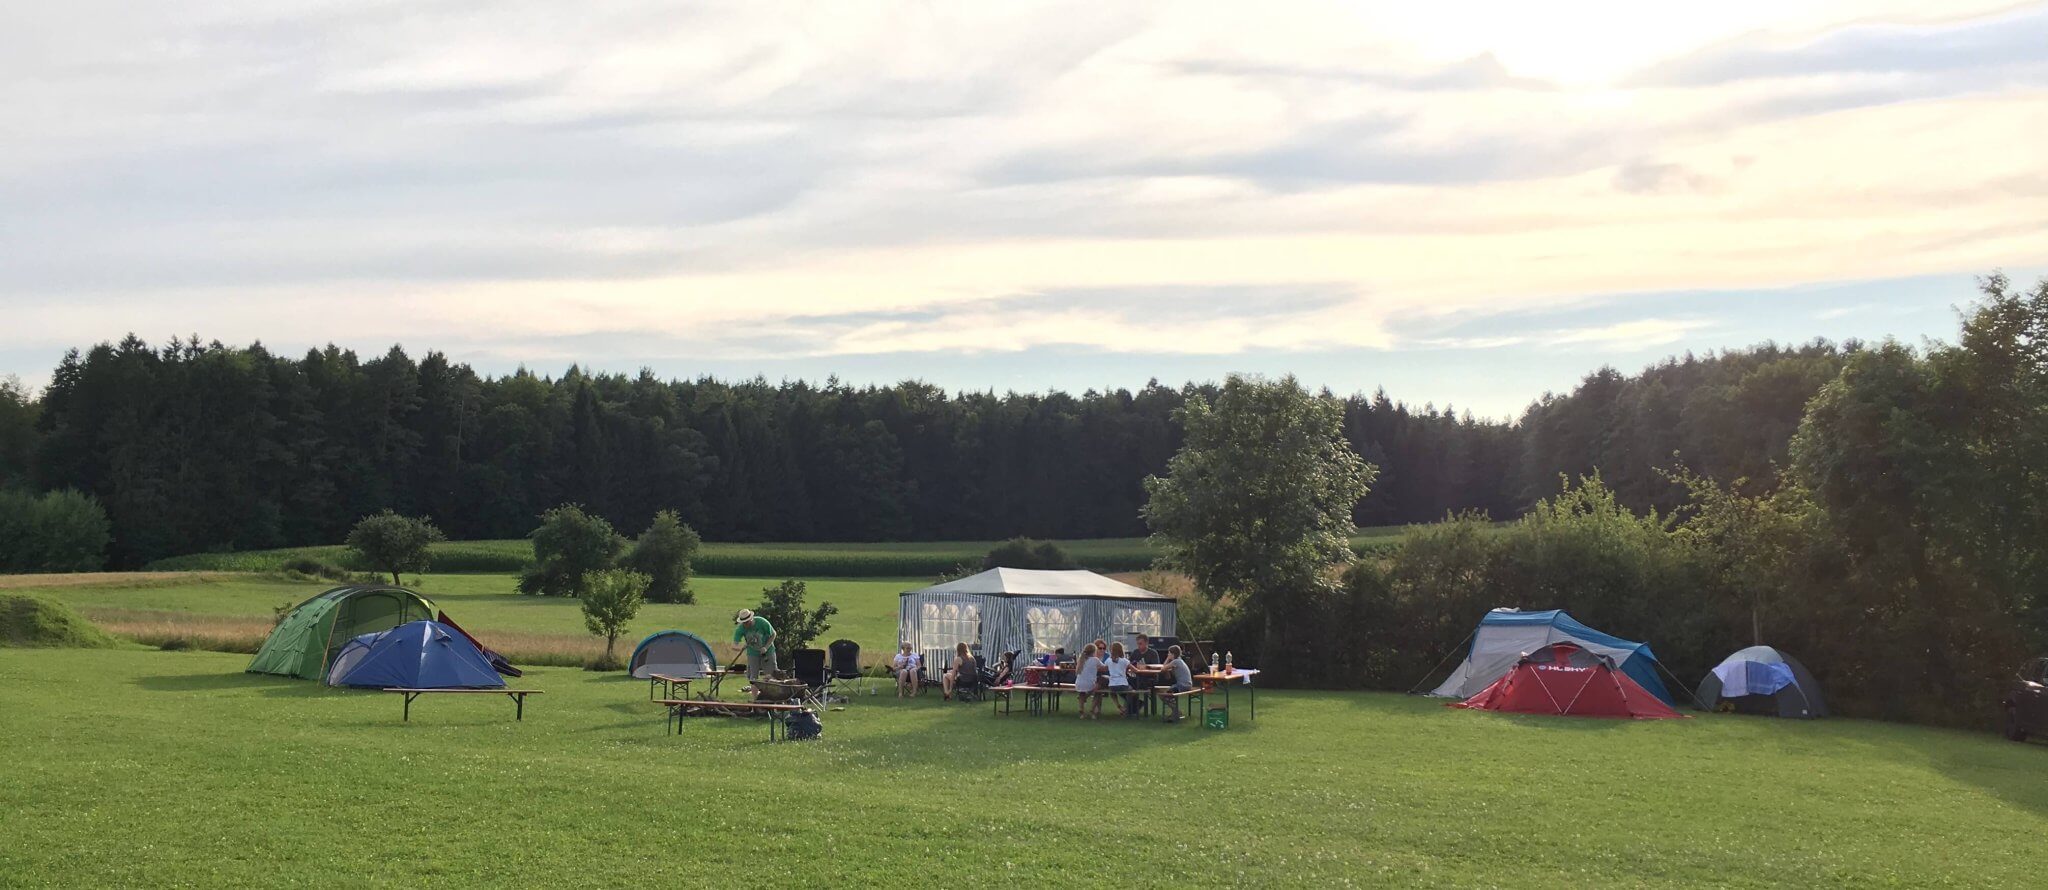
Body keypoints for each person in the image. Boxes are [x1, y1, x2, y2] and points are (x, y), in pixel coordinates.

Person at [730, 609, 777, 680]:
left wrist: (766, 647)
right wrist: (742, 647)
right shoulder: (740, 629)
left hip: (767, 651)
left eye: (747, 622)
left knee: (771, 675)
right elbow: (733, 646)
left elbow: (773, 634)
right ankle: (754, 690)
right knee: (753, 677)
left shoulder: (762, 622)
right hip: (752, 653)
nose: (745, 624)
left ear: (751, 619)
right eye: (743, 622)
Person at [1160, 645, 1194, 723]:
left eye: (1169, 653)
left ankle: (1176, 711)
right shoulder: (1179, 661)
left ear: (1173, 654)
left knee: (1163, 695)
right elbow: (1167, 674)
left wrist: (1168, 659)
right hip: (1187, 684)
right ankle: (1175, 711)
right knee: (1165, 693)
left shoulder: (1176, 661)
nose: (1168, 655)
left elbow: (1163, 668)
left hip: (1182, 685)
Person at [1104, 641, 1138, 718]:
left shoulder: (1108, 660)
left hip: (1112, 685)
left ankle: (1119, 706)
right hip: (1123, 684)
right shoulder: (1124, 661)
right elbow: (1135, 670)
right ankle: (1126, 708)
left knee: (1112, 693)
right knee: (1132, 692)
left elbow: (1104, 668)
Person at [1073, 643, 1103, 719]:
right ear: (1094, 652)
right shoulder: (1095, 660)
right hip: (1090, 684)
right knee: (1098, 691)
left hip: (1078, 683)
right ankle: (1092, 710)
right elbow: (1104, 667)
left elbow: (1077, 672)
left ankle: (1081, 712)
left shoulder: (1081, 659)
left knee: (1081, 694)